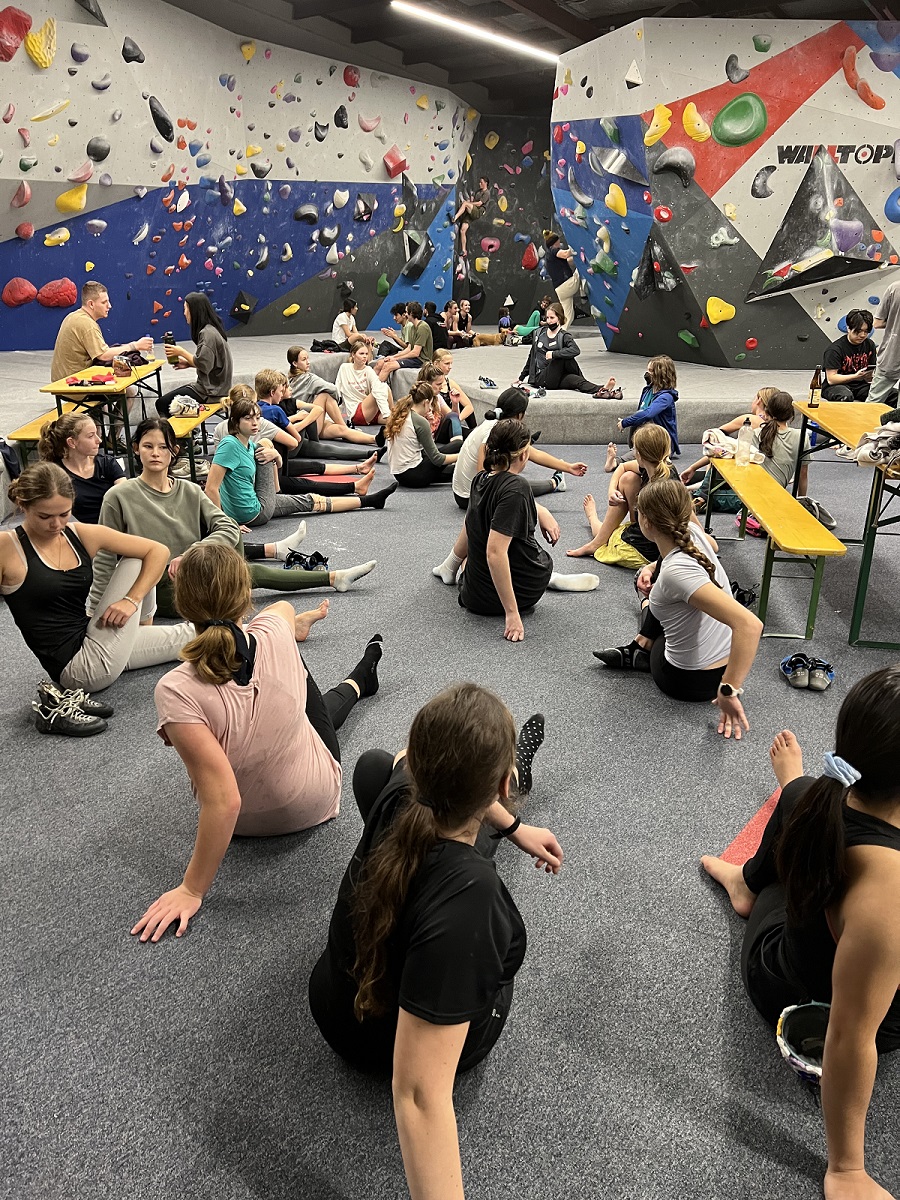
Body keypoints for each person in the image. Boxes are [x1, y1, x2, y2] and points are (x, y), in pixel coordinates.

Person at [308, 683, 563, 1200]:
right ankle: (516, 772)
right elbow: (421, 1097)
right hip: (381, 1046)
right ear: (500, 785)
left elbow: (410, 759)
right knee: (475, 887)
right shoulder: (474, 899)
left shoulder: (405, 787)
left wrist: (514, 826)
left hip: (332, 1009)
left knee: (376, 767)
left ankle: (494, 801)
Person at [700, 666, 900, 1200]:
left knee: (799, 797)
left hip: (841, 966)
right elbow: (849, 1037)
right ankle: (745, 881)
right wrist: (847, 1169)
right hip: (796, 988)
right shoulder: (886, 892)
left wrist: (793, 781)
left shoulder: (827, 799)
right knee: (801, 801)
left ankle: (749, 875)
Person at [132, 543, 384, 942]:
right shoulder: (271, 628)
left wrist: (193, 889)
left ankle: (357, 681)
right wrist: (293, 626)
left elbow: (223, 800)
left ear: (182, 606)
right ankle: (358, 679)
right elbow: (281, 609)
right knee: (294, 676)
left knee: (287, 686)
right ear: (246, 597)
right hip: (315, 798)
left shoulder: (173, 689)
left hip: (241, 826)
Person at [89, 419, 378, 618]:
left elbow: (227, 526)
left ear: (173, 452)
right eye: (148, 446)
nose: (155, 453)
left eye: (163, 447)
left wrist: (192, 554)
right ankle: (328, 580)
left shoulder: (189, 490)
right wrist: (97, 609)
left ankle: (331, 578)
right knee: (237, 582)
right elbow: (103, 556)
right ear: (136, 448)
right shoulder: (120, 496)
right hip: (155, 585)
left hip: (194, 570)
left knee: (235, 558)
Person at [1, 463, 191, 726]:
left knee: (194, 636)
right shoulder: (7, 547)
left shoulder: (79, 534)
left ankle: (261, 630)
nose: (56, 524)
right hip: (79, 670)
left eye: (64, 514)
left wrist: (131, 601)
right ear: (23, 505)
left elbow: (158, 551)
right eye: (45, 517)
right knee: (134, 563)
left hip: (95, 639)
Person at [593, 478, 762, 738]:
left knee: (651, 601)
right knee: (660, 587)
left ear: (645, 522)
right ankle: (640, 646)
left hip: (687, 680)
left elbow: (750, 625)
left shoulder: (675, 574)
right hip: (717, 662)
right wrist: (652, 567)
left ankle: (640, 651)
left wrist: (730, 690)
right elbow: (711, 547)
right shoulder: (690, 532)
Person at [433, 420, 599, 641]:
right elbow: (495, 552)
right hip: (522, 590)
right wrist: (512, 613)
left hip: (473, 595)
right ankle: (549, 578)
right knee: (526, 555)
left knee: (471, 556)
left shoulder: (480, 479)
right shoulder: (517, 488)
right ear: (523, 455)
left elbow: (470, 525)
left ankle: (451, 566)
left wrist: (541, 511)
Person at [206, 396, 396, 527]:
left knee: (309, 500)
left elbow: (279, 467)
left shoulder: (248, 445)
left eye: (257, 418)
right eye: (248, 419)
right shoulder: (230, 445)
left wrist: (277, 456)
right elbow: (211, 488)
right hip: (253, 512)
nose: (255, 423)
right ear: (236, 422)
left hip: (256, 502)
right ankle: (361, 491)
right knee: (267, 444)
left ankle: (368, 500)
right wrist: (226, 526)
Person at [684, 389, 814, 518]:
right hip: (775, 495)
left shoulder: (757, 431)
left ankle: (699, 497)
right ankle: (699, 496)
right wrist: (800, 502)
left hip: (754, 497)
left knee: (711, 490)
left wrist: (694, 467)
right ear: (792, 414)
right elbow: (803, 474)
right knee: (711, 490)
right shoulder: (801, 436)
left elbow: (726, 450)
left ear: (765, 408)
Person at [451, 386, 587, 510]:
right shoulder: (491, 431)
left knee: (510, 480)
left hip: (463, 494)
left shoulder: (499, 425)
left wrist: (568, 467)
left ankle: (555, 482)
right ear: (519, 415)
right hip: (471, 497)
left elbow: (535, 454)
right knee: (515, 484)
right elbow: (481, 474)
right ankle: (555, 483)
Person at [567, 424, 675, 565]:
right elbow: (622, 467)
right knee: (628, 478)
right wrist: (612, 490)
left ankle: (593, 524)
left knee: (607, 534)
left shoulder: (656, 492)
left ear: (640, 456)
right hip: (647, 533)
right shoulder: (664, 469)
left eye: (634, 450)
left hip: (644, 550)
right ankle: (604, 534)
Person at [50, 279, 153, 382]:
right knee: (129, 389)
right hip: (73, 385)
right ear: (91, 304)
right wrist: (135, 345)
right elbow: (104, 355)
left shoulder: (73, 316)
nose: (109, 306)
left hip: (64, 381)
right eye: (104, 302)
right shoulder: (87, 324)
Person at [38, 411, 125, 524]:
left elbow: (125, 495)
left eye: (97, 434)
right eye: (91, 436)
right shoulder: (56, 473)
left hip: (115, 527)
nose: (99, 440)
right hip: (78, 532)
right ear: (72, 442)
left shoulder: (107, 463)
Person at [156, 292, 233, 418]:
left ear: (194, 311)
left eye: (186, 309)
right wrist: (188, 363)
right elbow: (209, 364)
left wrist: (181, 352)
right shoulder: (211, 330)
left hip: (211, 393)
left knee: (163, 404)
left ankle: (178, 436)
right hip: (214, 389)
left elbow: (204, 364)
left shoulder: (207, 334)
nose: (184, 313)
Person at [285, 346, 378, 448]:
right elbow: (333, 389)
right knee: (325, 395)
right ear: (295, 363)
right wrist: (338, 400)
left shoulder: (289, 380)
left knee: (340, 430)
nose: (308, 362)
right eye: (304, 359)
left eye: (308, 358)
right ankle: (345, 426)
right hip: (306, 427)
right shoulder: (309, 379)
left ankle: (375, 439)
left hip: (299, 425)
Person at [517, 302, 615, 396]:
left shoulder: (563, 335)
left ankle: (602, 389)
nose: (549, 321)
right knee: (561, 357)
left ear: (559, 318)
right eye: (547, 318)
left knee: (576, 381)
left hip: (558, 376)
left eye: (552, 318)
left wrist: (553, 354)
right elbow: (531, 357)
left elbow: (575, 350)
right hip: (541, 378)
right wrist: (521, 377)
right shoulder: (539, 333)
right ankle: (599, 388)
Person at [383, 383, 460, 488]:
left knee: (452, 471)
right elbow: (437, 459)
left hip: (400, 474)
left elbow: (423, 449)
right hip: (414, 476)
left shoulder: (403, 412)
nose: (430, 409)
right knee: (459, 445)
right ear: (426, 402)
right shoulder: (419, 421)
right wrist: (462, 456)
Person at [617, 356, 680, 455]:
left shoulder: (666, 397)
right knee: (638, 415)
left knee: (641, 415)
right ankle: (636, 448)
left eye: (651, 371)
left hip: (661, 444)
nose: (647, 373)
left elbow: (648, 414)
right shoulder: (647, 390)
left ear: (661, 374)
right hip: (645, 437)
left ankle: (618, 461)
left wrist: (625, 422)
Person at [823, 309, 877, 402]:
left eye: (866, 331)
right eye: (858, 331)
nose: (862, 335)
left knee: (890, 394)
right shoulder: (835, 349)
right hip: (836, 386)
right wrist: (855, 376)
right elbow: (831, 379)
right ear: (848, 328)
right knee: (845, 396)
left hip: (861, 385)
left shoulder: (869, 344)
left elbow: (871, 369)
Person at [335, 340, 392, 427]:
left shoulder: (368, 370)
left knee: (398, 421)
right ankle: (387, 413)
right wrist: (335, 415)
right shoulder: (344, 368)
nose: (365, 356)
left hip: (370, 411)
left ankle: (392, 414)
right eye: (361, 354)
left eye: (366, 354)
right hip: (356, 412)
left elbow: (377, 386)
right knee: (383, 386)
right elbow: (337, 389)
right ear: (353, 355)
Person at [374, 302, 434, 382]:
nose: (405, 315)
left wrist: (396, 358)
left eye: (406, 312)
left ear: (411, 313)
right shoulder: (413, 327)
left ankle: (375, 390)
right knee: (381, 363)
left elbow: (415, 353)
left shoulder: (422, 327)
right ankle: (368, 388)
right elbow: (409, 348)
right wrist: (393, 357)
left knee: (387, 366)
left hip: (421, 360)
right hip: (415, 358)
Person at [869, 283, 900, 406]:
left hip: (891, 354)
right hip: (890, 355)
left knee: (872, 404)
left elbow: (877, 323)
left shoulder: (894, 288)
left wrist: (894, 323)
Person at [431, 349, 477, 432]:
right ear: (436, 364)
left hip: (449, 419)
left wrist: (458, 420)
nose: (450, 367)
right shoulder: (428, 385)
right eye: (447, 363)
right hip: (438, 424)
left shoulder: (450, 383)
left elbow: (469, 406)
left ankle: (473, 429)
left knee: (460, 400)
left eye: (451, 363)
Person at [543, 233, 580, 328]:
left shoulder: (549, 256)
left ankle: (559, 335)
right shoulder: (553, 251)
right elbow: (565, 254)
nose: (560, 243)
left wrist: (577, 258)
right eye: (558, 241)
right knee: (580, 272)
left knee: (568, 317)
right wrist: (577, 247)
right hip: (566, 285)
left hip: (560, 290)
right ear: (555, 242)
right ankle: (583, 292)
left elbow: (568, 260)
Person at [452, 175, 489, 257]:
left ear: (485, 183)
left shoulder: (486, 193)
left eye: (481, 182)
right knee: (462, 230)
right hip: (472, 211)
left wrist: (468, 203)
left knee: (465, 204)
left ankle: (455, 217)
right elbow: (472, 200)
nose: (479, 184)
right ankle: (464, 250)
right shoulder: (478, 191)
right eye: (479, 182)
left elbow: (479, 203)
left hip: (478, 211)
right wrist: (470, 200)